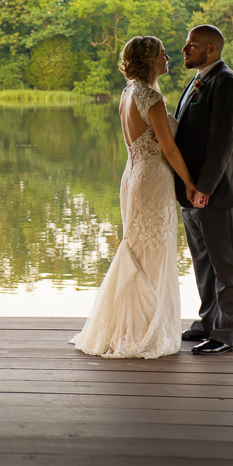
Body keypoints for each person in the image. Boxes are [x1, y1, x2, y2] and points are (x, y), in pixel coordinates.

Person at [70, 36, 201, 359]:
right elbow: (168, 147)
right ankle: (143, 330)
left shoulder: (128, 92)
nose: (169, 56)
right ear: (150, 60)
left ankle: (129, 327)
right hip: (152, 179)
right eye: (162, 53)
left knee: (138, 248)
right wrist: (190, 183)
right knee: (153, 251)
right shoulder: (150, 97)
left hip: (133, 175)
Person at [174, 24, 233, 355]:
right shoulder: (198, 79)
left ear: (211, 49)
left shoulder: (227, 82)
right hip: (192, 192)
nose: (185, 50)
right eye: (186, 44)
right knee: (204, 263)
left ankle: (226, 334)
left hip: (219, 192)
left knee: (227, 265)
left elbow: (223, 140)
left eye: (192, 45)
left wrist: (204, 187)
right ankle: (207, 322)